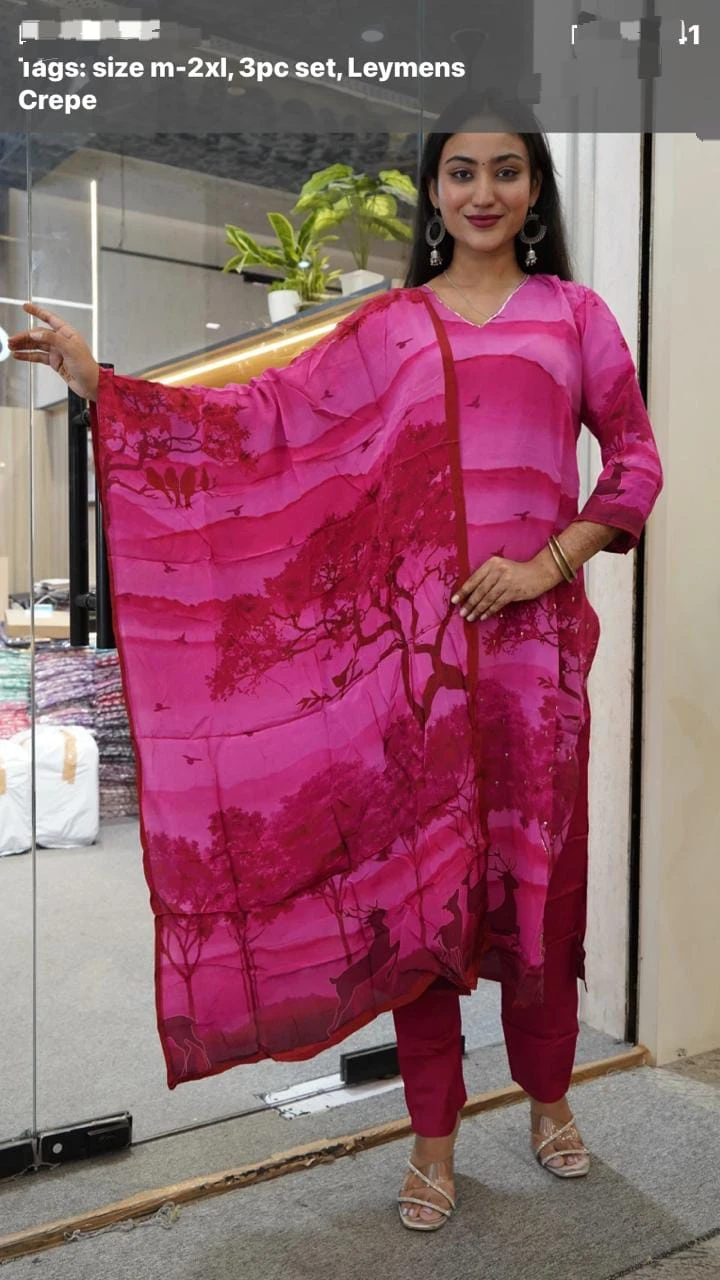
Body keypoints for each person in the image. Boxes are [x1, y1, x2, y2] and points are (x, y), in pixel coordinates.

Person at [9, 89, 663, 1234]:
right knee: (422, 905)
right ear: (434, 190)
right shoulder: (390, 327)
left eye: (507, 170)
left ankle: (551, 1097)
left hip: (535, 666)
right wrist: (104, 385)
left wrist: (546, 565)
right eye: (461, 171)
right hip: (413, 666)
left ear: (535, 188)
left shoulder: (577, 316)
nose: (484, 192)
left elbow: (635, 464)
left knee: (540, 894)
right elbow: (261, 422)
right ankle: (433, 1134)